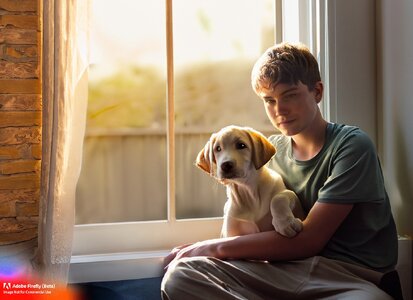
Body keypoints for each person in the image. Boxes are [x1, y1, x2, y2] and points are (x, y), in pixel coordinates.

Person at [161, 42, 399, 300]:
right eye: (269, 100)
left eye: (290, 95)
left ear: (317, 92)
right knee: (181, 275)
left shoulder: (351, 145)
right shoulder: (269, 152)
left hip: (347, 278)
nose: (279, 110)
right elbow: (242, 214)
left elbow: (309, 241)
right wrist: (208, 251)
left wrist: (213, 247)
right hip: (280, 271)